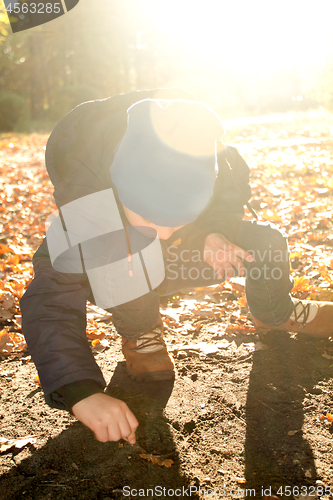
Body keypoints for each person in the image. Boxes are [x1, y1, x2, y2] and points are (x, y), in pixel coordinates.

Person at [20, 88, 333, 445]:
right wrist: (80, 392)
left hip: (179, 257)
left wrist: (207, 231)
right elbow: (49, 298)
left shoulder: (203, 149)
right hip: (115, 266)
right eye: (152, 219)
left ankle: (276, 312)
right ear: (122, 192)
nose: (166, 234)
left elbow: (226, 199)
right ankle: (141, 334)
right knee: (132, 250)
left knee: (265, 241)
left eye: (177, 220)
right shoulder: (90, 202)